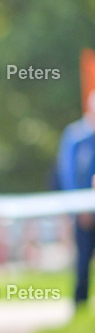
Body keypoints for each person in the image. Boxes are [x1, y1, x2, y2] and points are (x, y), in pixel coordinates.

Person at [56, 90, 95, 305]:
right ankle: (80, 304)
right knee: (82, 260)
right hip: (83, 211)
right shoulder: (76, 136)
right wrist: (78, 208)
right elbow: (67, 173)